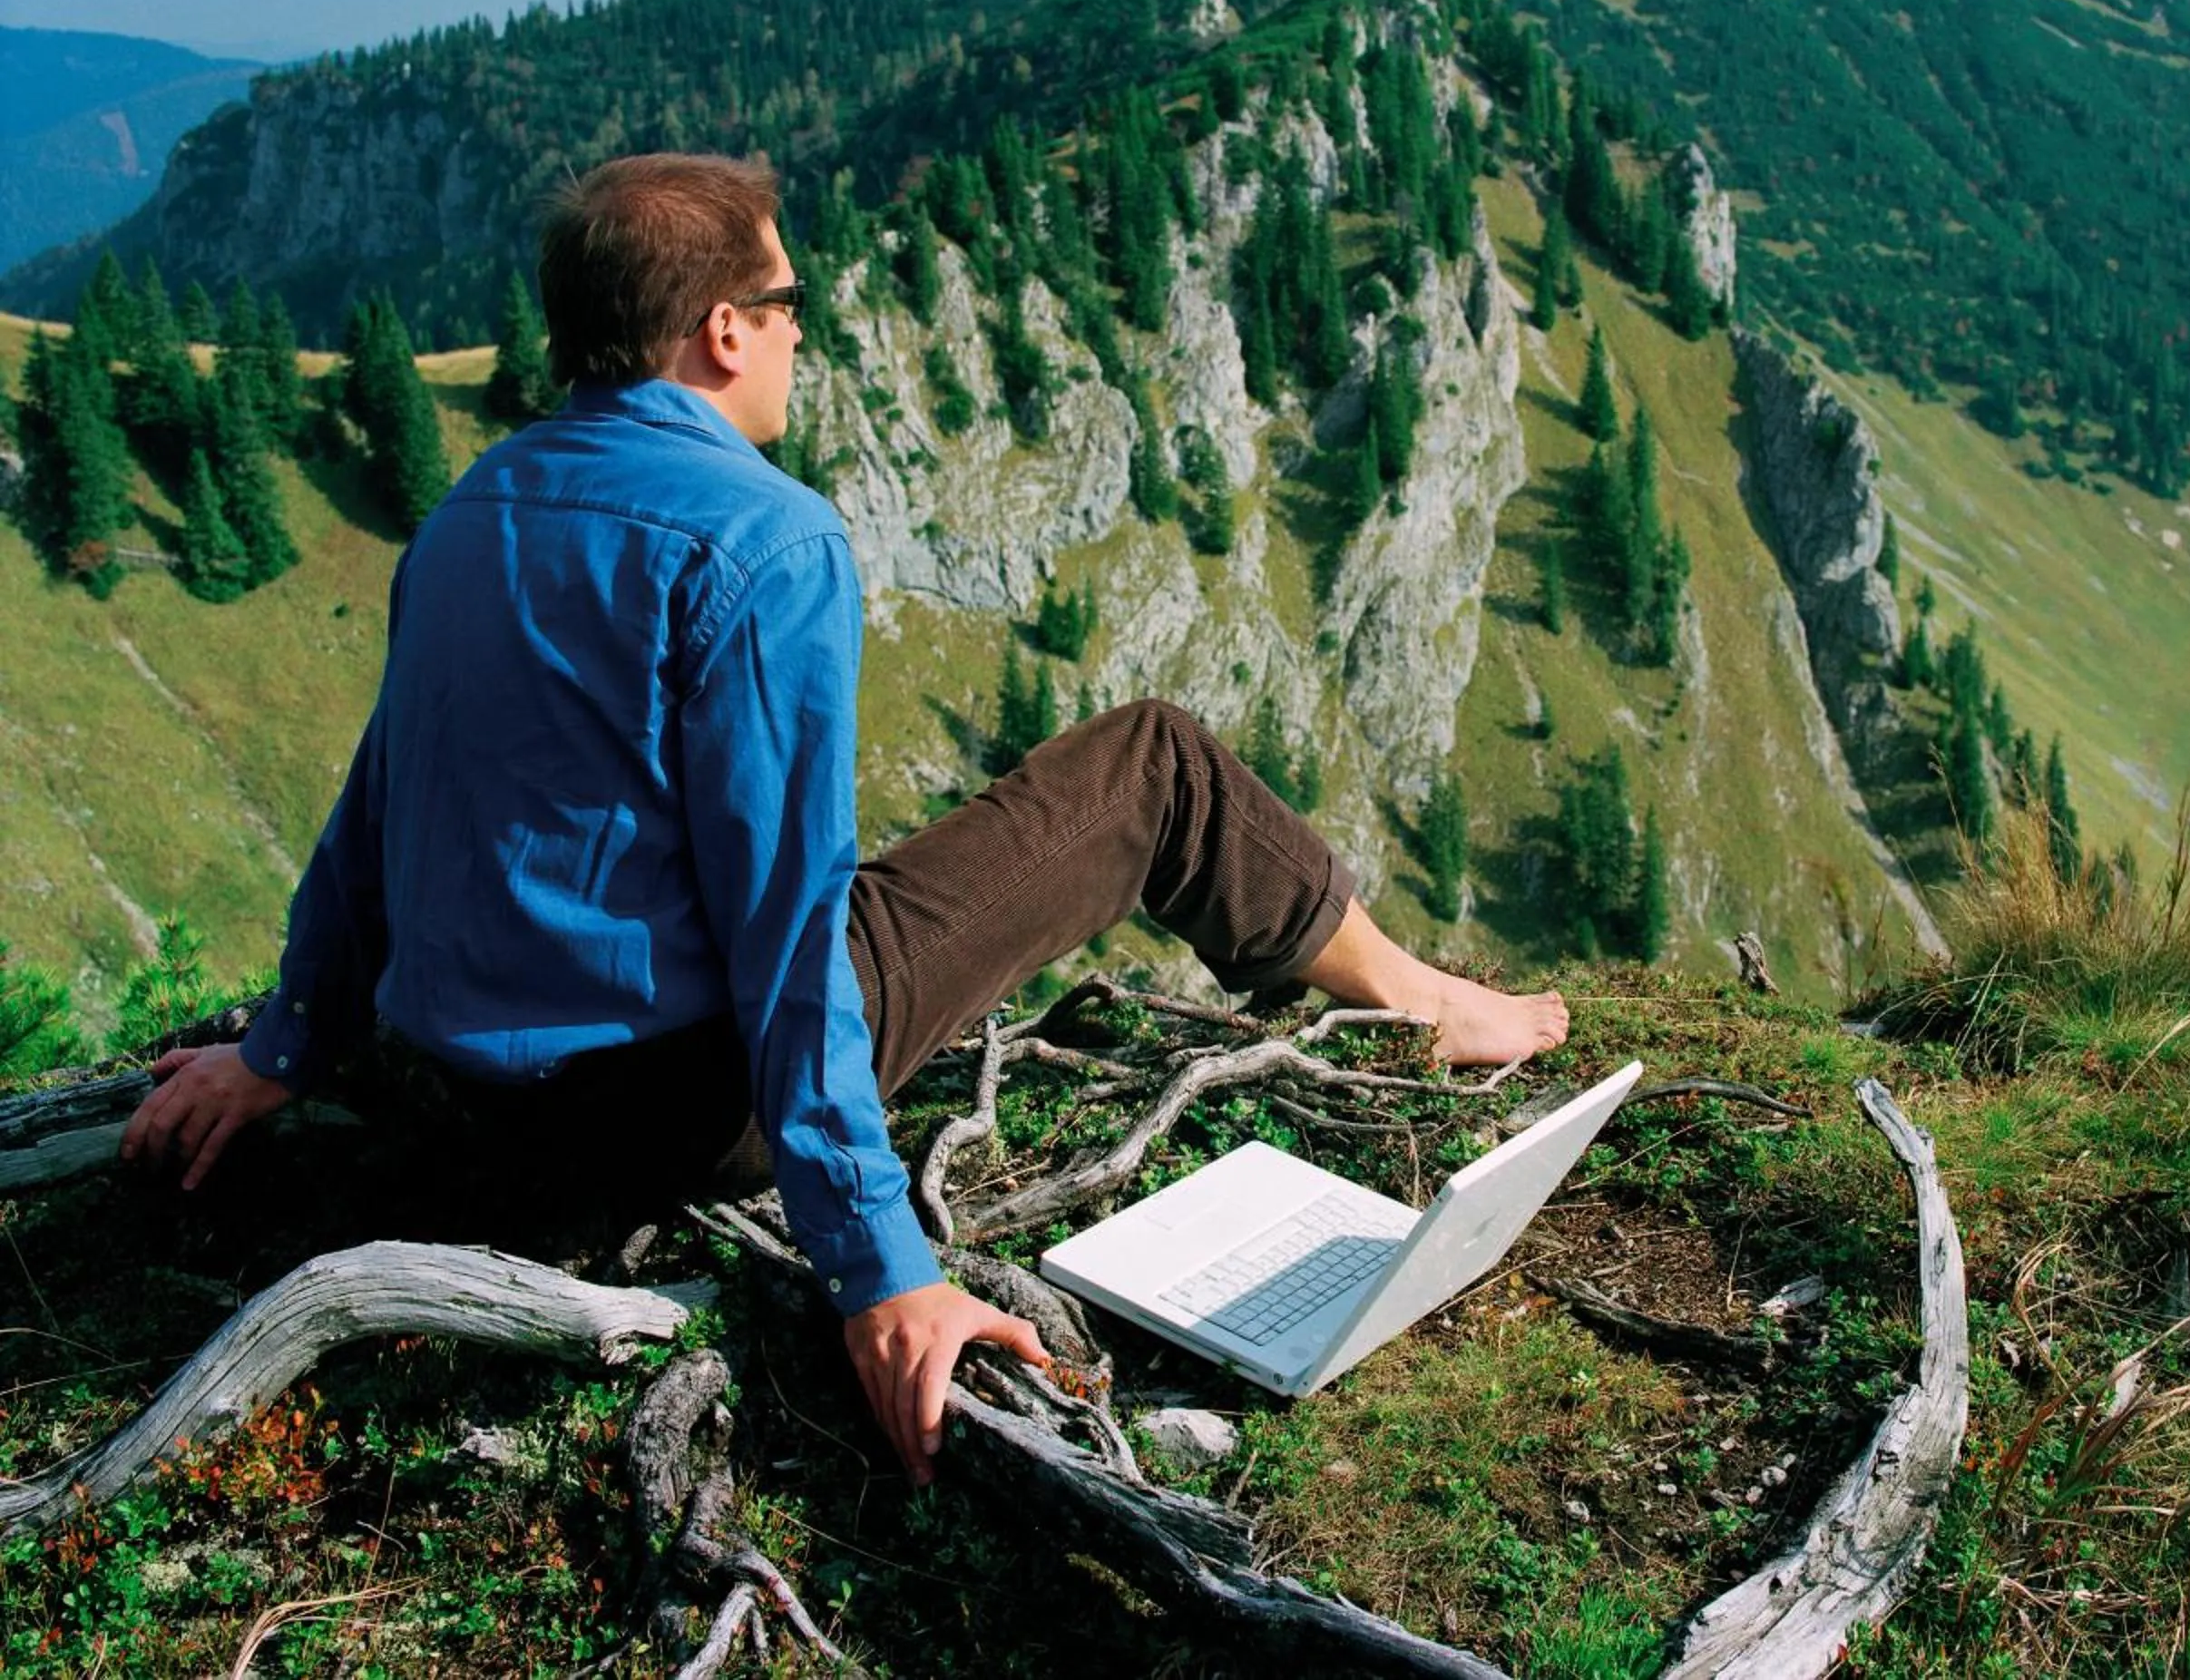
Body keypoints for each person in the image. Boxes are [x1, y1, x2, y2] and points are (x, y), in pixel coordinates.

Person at [119, 151, 1569, 1485]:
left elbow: (369, 815)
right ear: (723, 331)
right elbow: (788, 932)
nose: (802, 330)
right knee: (1151, 764)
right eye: (788, 301)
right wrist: (881, 1269)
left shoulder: (471, 510)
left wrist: (282, 1047)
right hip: (683, 1105)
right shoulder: (764, 537)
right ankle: (1423, 1000)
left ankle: (1404, 988)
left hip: (480, 1100)